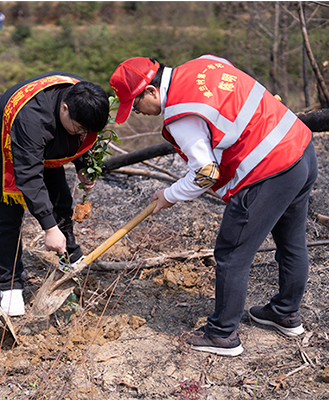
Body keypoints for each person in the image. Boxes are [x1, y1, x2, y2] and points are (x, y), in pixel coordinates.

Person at [110, 56, 318, 356]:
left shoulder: (181, 115)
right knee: (292, 241)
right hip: (300, 149)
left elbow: (206, 173)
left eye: (135, 105)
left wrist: (169, 195)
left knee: (232, 254)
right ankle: (285, 313)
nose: (138, 114)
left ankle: (222, 335)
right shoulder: (204, 63)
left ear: (152, 91)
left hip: (269, 169)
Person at [0, 72, 109, 316]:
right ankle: (10, 285)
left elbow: (82, 135)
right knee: (9, 214)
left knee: (61, 199)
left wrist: (82, 164)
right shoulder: (33, 120)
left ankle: (69, 255)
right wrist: (49, 229)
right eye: (79, 129)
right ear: (65, 108)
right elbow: (28, 178)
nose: (82, 134)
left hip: (44, 142)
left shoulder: (84, 98)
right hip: (1, 142)